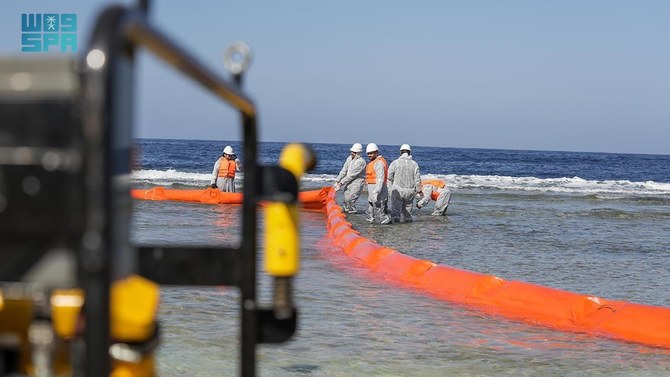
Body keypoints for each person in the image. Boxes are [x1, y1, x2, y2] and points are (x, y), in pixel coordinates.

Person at [387, 144, 421, 223]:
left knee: (396, 213)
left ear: (400, 152)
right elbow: (417, 179)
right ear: (409, 152)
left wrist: (390, 189)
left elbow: (389, 177)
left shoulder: (395, 163)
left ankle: (397, 230)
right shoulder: (414, 164)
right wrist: (418, 191)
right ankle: (408, 231)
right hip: (410, 191)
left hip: (398, 190)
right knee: (408, 214)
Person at [333, 143, 366, 213]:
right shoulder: (349, 158)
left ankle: (353, 213)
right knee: (346, 199)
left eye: (354, 152)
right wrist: (337, 180)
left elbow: (351, 175)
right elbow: (344, 170)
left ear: (358, 153)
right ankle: (347, 211)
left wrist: (341, 183)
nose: (352, 153)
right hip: (349, 181)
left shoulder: (361, 162)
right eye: (352, 151)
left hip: (357, 182)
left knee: (351, 198)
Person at [364, 143, 391, 224]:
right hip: (372, 190)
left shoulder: (379, 163)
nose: (369, 155)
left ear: (376, 152)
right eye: (368, 153)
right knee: (370, 210)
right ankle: (372, 222)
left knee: (380, 212)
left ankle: (387, 224)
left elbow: (380, 179)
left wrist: (376, 192)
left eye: (371, 153)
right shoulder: (372, 162)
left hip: (379, 191)